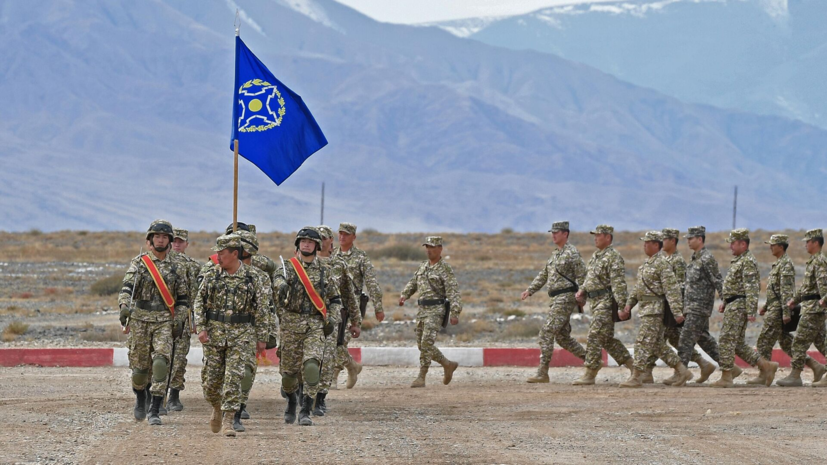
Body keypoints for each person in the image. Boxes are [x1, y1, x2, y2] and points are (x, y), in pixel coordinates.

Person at [195, 234, 269, 437]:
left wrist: (262, 337)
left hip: (241, 335)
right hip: (214, 334)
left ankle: (229, 419)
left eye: (222, 252)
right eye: (217, 251)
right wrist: (200, 327)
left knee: (234, 378)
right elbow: (199, 302)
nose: (217, 256)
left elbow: (262, 309)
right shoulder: (211, 275)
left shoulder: (254, 277)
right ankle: (217, 407)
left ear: (235, 254)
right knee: (211, 383)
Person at [119, 220, 189, 426]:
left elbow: (184, 298)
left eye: (165, 237)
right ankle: (141, 398)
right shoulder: (140, 263)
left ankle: (156, 408)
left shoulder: (177, 266)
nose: (161, 239)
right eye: (157, 236)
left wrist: (179, 319)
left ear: (169, 241)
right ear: (150, 239)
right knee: (140, 369)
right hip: (140, 319)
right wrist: (123, 307)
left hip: (164, 321)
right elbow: (127, 288)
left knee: (160, 363)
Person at [274, 227, 343, 426]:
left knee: (312, 367)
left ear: (317, 246)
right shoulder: (288, 267)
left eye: (310, 242)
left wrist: (332, 319)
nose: (306, 244)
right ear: (298, 244)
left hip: (315, 324)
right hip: (291, 325)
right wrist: (281, 286)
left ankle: (306, 409)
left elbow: (335, 299)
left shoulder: (324, 270)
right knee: (288, 375)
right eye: (303, 241)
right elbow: (277, 283)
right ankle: (292, 401)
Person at [618, 231, 692, 388]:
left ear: (656, 245)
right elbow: (638, 289)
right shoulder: (645, 264)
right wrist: (629, 304)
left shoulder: (662, 264)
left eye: (648, 242)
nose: (644, 245)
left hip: (654, 310)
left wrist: (677, 312)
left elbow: (671, 289)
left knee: (642, 342)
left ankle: (637, 376)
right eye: (644, 242)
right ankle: (682, 370)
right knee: (658, 346)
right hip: (645, 309)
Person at [711, 229, 778, 388]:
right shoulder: (739, 260)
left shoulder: (747, 261)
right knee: (738, 344)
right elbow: (736, 286)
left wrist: (751, 310)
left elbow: (751, 288)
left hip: (739, 306)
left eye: (733, 243)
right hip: (734, 304)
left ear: (743, 243)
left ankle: (727, 376)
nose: (730, 247)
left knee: (726, 340)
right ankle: (766, 366)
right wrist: (726, 301)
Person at [521, 221, 587, 383]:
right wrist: (530, 290)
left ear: (565, 234)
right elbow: (544, 274)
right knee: (563, 337)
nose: (553, 235)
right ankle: (592, 361)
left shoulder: (572, 253)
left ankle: (542, 373)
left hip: (565, 298)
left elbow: (583, 276)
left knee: (546, 332)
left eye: (556, 232)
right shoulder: (555, 254)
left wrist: (582, 295)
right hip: (555, 298)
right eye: (552, 232)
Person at [676, 226, 740, 383]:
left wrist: (725, 301)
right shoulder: (694, 259)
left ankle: (680, 373)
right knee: (704, 339)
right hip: (691, 306)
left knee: (685, 339)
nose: (688, 241)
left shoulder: (707, 258)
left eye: (691, 238)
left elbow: (717, 280)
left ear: (699, 239)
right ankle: (731, 367)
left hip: (700, 307)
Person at [573, 225, 634, 385]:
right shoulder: (596, 256)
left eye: (598, 235)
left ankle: (591, 371)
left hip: (606, 301)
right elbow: (589, 279)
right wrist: (582, 292)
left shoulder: (614, 257)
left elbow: (618, 283)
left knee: (594, 335)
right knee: (606, 339)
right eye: (595, 235)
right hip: (595, 302)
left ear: (608, 237)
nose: (595, 238)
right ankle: (636, 368)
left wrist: (622, 306)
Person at [399, 236, 462, 388]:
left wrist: (455, 312)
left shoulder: (445, 268)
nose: (429, 250)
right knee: (422, 345)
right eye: (427, 247)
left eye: (432, 247)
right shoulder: (423, 266)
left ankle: (422, 376)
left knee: (427, 342)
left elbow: (453, 291)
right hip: (422, 310)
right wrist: (404, 295)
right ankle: (447, 364)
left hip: (436, 310)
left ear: (440, 249)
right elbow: (413, 282)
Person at [654, 228, 712, 385]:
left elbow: (680, 287)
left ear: (672, 241)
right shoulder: (667, 259)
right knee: (673, 338)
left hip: (674, 308)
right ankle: (702, 364)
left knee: (661, 338)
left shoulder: (677, 261)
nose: (661, 243)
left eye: (664, 239)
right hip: (667, 307)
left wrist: (677, 310)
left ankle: (681, 371)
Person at [315, 225, 361, 414]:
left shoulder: (338, 265)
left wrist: (356, 321)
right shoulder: (303, 264)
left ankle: (320, 397)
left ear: (330, 241)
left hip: (332, 317)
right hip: (307, 318)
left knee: (328, 357)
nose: (320, 241)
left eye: (323, 238)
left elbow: (349, 295)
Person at [332, 222, 384, 389]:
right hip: (333, 305)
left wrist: (378, 307)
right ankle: (352, 367)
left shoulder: (361, 257)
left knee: (340, 342)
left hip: (351, 307)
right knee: (333, 341)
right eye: (340, 233)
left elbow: (372, 283)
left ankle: (332, 377)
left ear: (353, 237)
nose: (342, 237)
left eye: (346, 234)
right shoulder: (332, 255)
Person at [778, 229, 827, 387]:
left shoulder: (819, 261)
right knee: (822, 343)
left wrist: (824, 299)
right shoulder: (814, 261)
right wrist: (795, 300)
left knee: (798, 342)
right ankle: (817, 372)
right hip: (811, 307)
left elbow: (824, 285)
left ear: (816, 243)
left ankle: (795, 375)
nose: (805, 245)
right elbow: (807, 288)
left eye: (808, 242)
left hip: (814, 309)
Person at [165, 228, 202, 412]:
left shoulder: (194, 266)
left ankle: (174, 395)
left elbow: (198, 294)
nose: (177, 244)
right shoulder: (159, 263)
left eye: (181, 241)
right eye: (174, 241)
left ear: (187, 244)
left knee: (179, 357)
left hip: (184, 317)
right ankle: (157, 393)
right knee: (160, 355)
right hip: (161, 316)